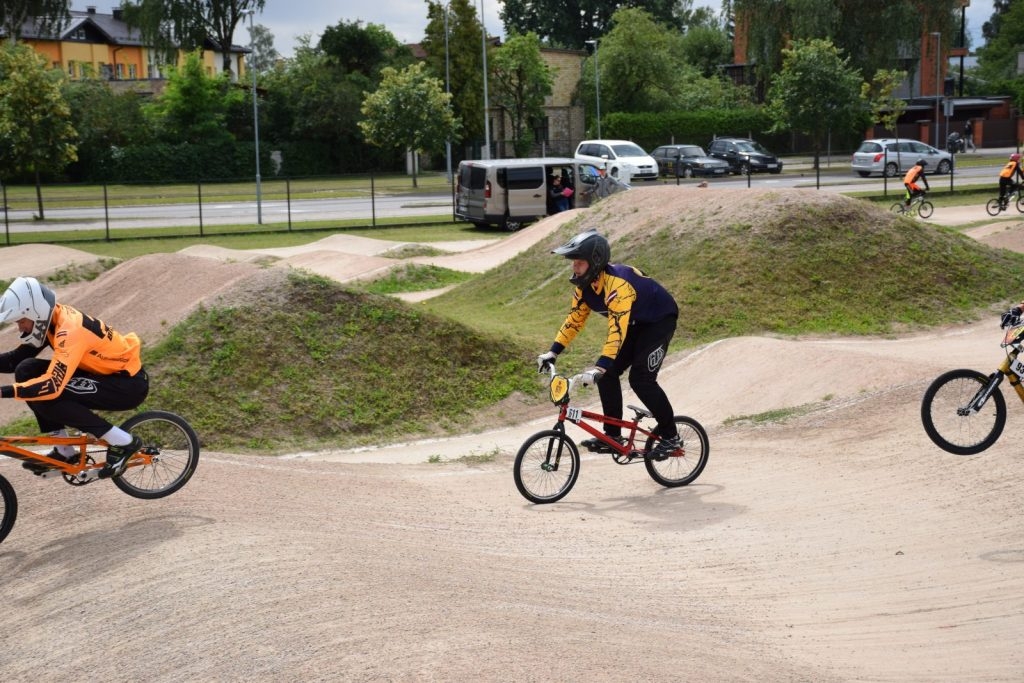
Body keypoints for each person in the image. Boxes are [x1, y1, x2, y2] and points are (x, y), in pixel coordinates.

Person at [536, 228, 682, 461]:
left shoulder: (617, 285)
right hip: (635, 324)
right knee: (609, 374)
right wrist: (553, 352)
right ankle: (613, 436)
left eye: (579, 263)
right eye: (573, 263)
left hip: (658, 321)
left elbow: (616, 330)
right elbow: (574, 320)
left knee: (641, 379)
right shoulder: (584, 289)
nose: (574, 268)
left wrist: (600, 366)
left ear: (594, 263)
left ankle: (671, 436)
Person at [0, 276, 148, 477]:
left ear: (34, 312)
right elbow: (15, 360)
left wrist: (5, 392)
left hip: (126, 386)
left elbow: (53, 384)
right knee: (27, 369)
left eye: (21, 321)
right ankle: (65, 452)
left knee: (46, 394)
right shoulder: (50, 320)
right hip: (103, 376)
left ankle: (124, 442)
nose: (20, 328)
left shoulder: (69, 331)